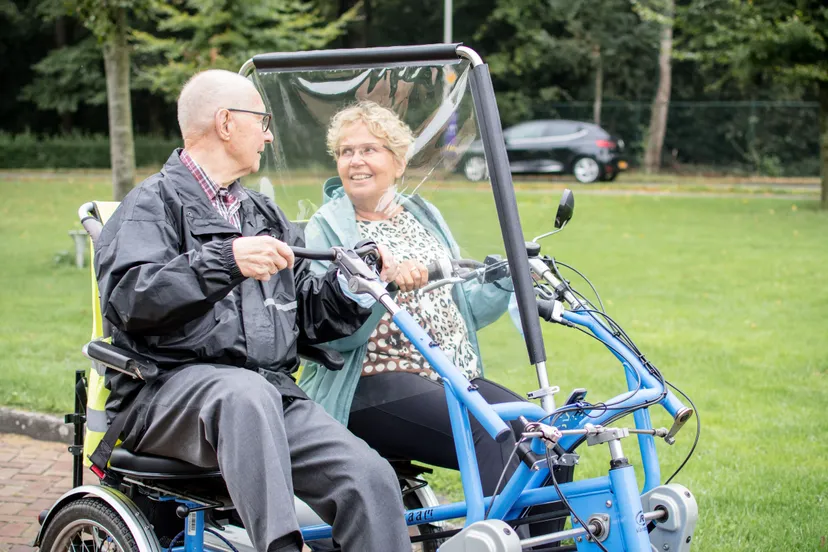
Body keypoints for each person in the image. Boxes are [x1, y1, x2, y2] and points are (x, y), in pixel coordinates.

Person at [94, 71, 411, 552]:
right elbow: (130, 298)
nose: (267, 133)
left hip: (269, 395)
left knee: (369, 478)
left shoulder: (262, 213)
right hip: (164, 393)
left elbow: (306, 312)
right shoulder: (149, 204)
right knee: (243, 393)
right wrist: (226, 260)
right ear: (225, 123)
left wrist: (349, 285)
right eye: (261, 120)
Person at [299, 101, 524, 496]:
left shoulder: (421, 213)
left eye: (369, 149)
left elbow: (460, 306)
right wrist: (385, 286)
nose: (355, 161)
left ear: (399, 162)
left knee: (538, 431)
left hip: (448, 376)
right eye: (346, 152)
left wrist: (504, 278)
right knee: (494, 435)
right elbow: (330, 334)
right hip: (370, 384)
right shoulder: (329, 227)